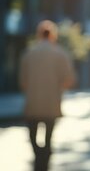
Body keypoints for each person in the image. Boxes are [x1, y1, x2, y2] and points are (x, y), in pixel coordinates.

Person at [19, 20, 77, 171]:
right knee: (48, 138)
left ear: (39, 34)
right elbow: (69, 79)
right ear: (53, 35)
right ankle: (44, 158)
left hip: (33, 103)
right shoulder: (60, 54)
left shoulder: (29, 53)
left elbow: (22, 81)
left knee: (32, 136)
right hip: (52, 103)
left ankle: (40, 156)